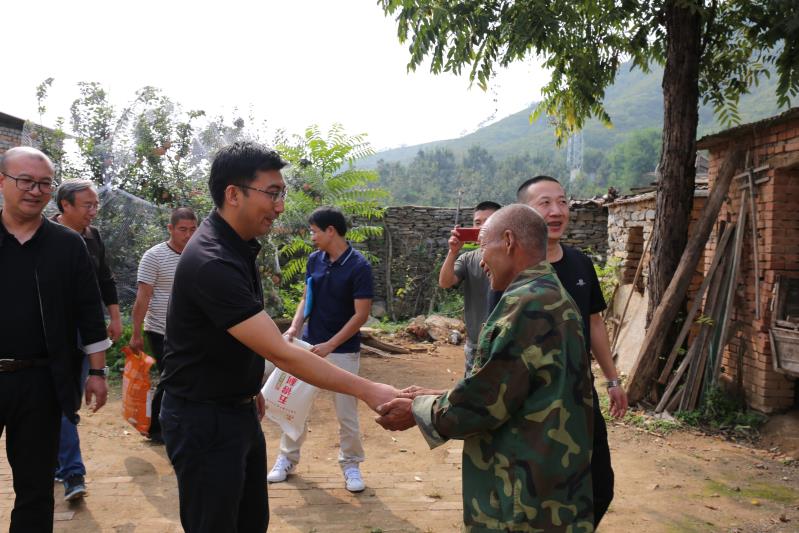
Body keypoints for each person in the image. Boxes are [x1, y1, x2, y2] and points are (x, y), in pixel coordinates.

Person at [157, 141, 397, 533]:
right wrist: (369, 390)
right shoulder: (212, 260)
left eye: (281, 194)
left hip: (237, 409)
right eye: (272, 193)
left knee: (250, 522)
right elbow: (281, 352)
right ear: (233, 194)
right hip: (204, 420)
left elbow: (235, 338)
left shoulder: (238, 247)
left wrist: (248, 386)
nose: (280, 206)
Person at [376, 204, 595, 532]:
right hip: (547, 482)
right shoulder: (546, 294)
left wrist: (418, 410)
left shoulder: (527, 306)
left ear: (508, 241)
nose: (480, 260)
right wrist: (435, 394)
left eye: (482, 246)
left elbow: (485, 402)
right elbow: (513, 385)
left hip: (522, 495)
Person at [0, 147, 109, 532]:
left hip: (41, 380)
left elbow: (89, 310)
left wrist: (98, 372)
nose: (35, 191)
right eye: (25, 181)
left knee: (35, 488)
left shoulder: (66, 244)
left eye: (44, 183)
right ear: (2, 181)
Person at [517, 175, 629, 528]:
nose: (557, 211)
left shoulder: (581, 263)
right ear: (525, 213)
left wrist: (612, 380)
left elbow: (594, 322)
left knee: (599, 486)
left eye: (562, 202)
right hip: (532, 402)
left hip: (580, 395)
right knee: (538, 491)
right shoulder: (515, 268)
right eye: (545, 203)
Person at [268, 206, 374, 492]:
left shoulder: (359, 267)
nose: (311, 237)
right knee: (294, 406)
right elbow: (307, 298)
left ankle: (351, 464)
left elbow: (361, 315)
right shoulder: (314, 260)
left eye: (314, 231)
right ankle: (287, 459)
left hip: (342, 351)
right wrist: (294, 328)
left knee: (346, 412)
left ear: (331, 231)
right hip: (308, 346)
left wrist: (331, 344)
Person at [51, 179, 120, 500]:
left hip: (87, 329)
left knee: (69, 397)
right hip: (53, 332)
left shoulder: (93, 237)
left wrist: (115, 316)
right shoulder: (45, 237)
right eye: (87, 205)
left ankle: (59, 462)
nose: (93, 211)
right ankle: (72, 471)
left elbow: (105, 278)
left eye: (96, 205)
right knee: (61, 398)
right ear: (65, 205)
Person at [129, 207, 198, 442]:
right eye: (182, 229)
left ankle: (170, 423)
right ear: (170, 229)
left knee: (181, 376)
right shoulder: (154, 256)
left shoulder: (199, 254)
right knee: (171, 376)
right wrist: (136, 333)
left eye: (192, 229)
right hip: (160, 329)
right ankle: (156, 427)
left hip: (191, 330)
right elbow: (143, 297)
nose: (188, 235)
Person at [438, 201, 501, 375]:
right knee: (472, 389)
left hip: (507, 342)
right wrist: (453, 252)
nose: (481, 228)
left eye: (488, 222)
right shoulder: (467, 259)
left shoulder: (516, 257)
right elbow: (445, 282)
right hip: (476, 344)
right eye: (477, 223)